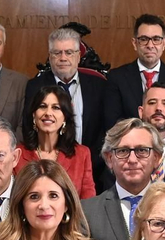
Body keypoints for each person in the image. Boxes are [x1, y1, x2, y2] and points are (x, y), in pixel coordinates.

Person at [101, 15, 165, 151]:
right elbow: (113, 123)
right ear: (135, 43)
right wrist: (139, 149)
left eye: (156, 39)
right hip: (129, 152)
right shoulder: (117, 77)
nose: (150, 45)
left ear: (164, 43)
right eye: (144, 39)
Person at [28, 26, 108, 158]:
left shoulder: (99, 86)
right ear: (50, 56)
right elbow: (29, 128)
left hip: (93, 165)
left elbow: (106, 130)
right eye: (57, 53)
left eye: (69, 52)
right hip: (48, 164)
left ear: (78, 56)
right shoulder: (34, 86)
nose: (63, 58)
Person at [17, 81, 96, 199]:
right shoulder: (17, 153)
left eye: (56, 107)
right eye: (42, 106)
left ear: (65, 117)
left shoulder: (82, 154)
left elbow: (89, 202)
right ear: (34, 115)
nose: (48, 113)